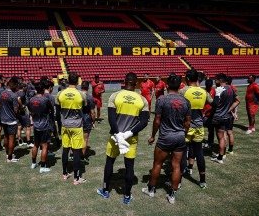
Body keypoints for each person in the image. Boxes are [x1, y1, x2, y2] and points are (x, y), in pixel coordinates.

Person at [97, 72, 149, 204]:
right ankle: (126, 196)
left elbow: (111, 118)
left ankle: (105, 191)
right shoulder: (142, 99)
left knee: (110, 162)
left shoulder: (115, 96)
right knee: (129, 166)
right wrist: (128, 134)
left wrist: (119, 134)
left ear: (124, 81)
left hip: (115, 136)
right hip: (131, 138)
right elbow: (144, 122)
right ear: (136, 83)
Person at [142, 73, 191, 204]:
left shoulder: (162, 100)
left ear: (167, 85)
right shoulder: (186, 101)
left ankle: (151, 190)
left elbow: (157, 121)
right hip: (179, 136)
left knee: (157, 164)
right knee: (176, 166)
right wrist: (183, 134)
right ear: (179, 86)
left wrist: (153, 136)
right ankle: (172, 195)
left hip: (165, 137)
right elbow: (187, 122)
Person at [179, 69, 212, 189]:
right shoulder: (203, 91)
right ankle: (202, 180)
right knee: (199, 153)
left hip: (186, 126)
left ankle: (179, 180)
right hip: (199, 126)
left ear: (187, 78)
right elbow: (213, 103)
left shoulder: (183, 91)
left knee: (182, 152)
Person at [56, 72, 87, 185]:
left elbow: (58, 108)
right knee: (76, 151)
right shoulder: (81, 94)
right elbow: (84, 106)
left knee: (65, 149)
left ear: (68, 80)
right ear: (78, 81)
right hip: (77, 126)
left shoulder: (60, 93)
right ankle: (76, 178)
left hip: (65, 125)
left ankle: (65, 173)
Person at [210, 73, 240, 164]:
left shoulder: (219, 89)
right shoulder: (230, 88)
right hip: (226, 116)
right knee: (223, 136)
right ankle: (221, 155)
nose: (215, 81)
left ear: (220, 80)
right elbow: (238, 100)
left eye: (216, 79)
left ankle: (220, 157)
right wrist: (229, 109)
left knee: (220, 137)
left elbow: (215, 104)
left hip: (218, 116)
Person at [28, 81, 55, 173]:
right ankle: (43, 166)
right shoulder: (45, 100)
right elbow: (51, 110)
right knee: (44, 146)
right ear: (43, 89)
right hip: (44, 125)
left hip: (36, 124)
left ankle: (33, 163)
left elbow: (30, 109)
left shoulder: (31, 100)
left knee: (36, 144)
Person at [0, 76, 20, 163]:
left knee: (6, 137)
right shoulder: (14, 95)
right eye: (16, 85)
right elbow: (15, 110)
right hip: (11, 120)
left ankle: (8, 153)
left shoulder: (2, 93)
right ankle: (10, 157)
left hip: (3, 118)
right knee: (12, 139)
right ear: (13, 84)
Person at [80, 81, 96, 161]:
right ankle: (82, 156)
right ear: (88, 87)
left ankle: (73, 154)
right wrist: (93, 121)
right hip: (86, 119)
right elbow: (92, 112)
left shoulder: (77, 95)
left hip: (77, 118)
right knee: (85, 139)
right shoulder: (90, 97)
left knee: (76, 138)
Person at [203, 78, 216, 149]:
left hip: (211, 113)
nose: (208, 86)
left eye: (209, 85)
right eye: (207, 85)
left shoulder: (214, 91)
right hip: (203, 113)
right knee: (200, 128)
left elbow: (215, 103)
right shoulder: (203, 91)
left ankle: (210, 142)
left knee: (210, 129)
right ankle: (199, 142)